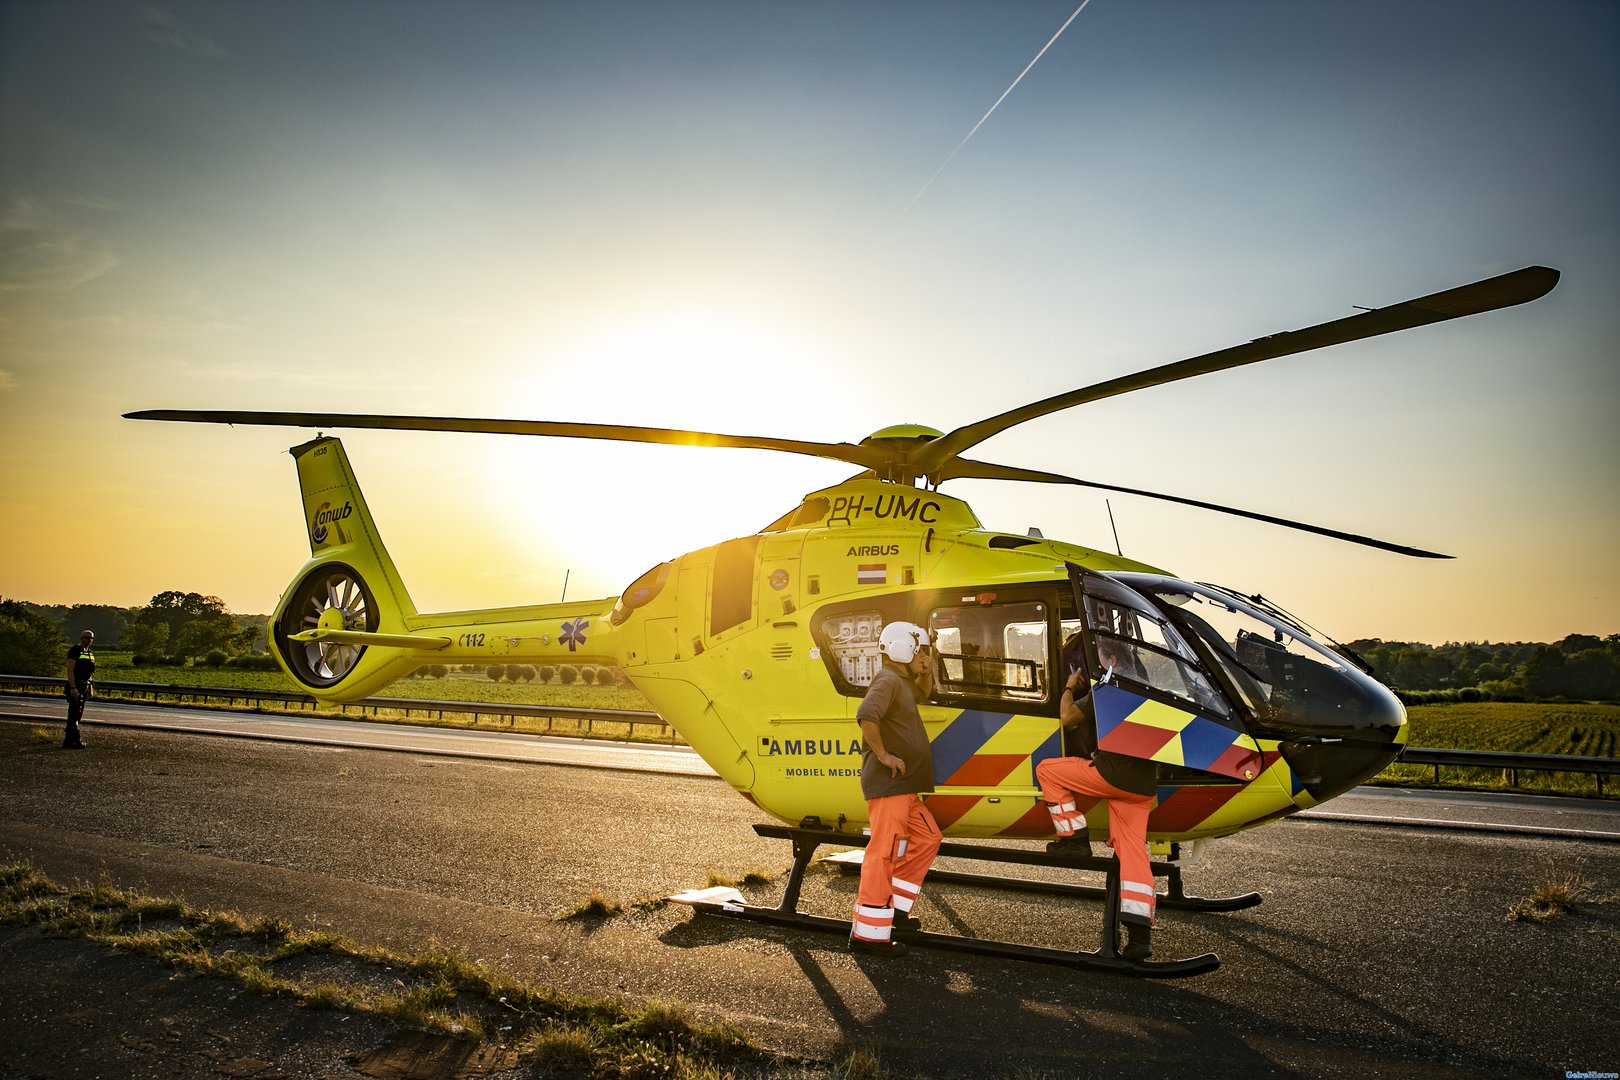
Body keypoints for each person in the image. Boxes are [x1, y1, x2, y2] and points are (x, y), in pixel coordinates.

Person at [1035, 633, 1159, 961]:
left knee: (1048, 770)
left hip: (1112, 777)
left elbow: (1067, 718)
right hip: (1142, 787)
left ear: (1112, 660)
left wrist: (1068, 688)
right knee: (1133, 854)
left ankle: (1074, 839)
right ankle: (1139, 937)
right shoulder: (1145, 687)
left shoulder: (1108, 687)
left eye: (1100, 660)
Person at [849, 620, 941, 957]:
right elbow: (866, 716)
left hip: (906, 787)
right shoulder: (887, 680)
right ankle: (869, 935)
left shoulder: (901, 681)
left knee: (928, 838)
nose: (923, 655)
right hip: (891, 785)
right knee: (884, 852)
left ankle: (896, 911)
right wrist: (884, 755)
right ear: (904, 649)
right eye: (919, 651)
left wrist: (925, 672)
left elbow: (923, 693)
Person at [63, 630, 95, 749]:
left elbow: (90, 673)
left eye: (91, 638)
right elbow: (70, 670)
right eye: (86, 638)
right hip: (76, 685)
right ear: (81, 638)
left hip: (84, 686)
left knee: (78, 714)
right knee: (74, 714)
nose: (89, 640)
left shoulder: (90, 653)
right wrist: (73, 687)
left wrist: (90, 687)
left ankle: (71, 740)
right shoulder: (75, 650)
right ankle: (72, 740)